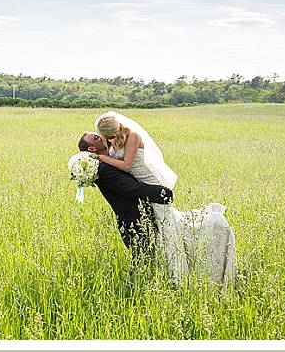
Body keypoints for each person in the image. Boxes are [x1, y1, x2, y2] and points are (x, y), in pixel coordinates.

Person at [93, 111, 237, 288]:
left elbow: (126, 165)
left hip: (150, 186)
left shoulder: (133, 136)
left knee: (168, 231)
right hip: (140, 191)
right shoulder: (114, 142)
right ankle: (164, 274)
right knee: (159, 234)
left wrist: (102, 158)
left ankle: (180, 277)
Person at [76, 132, 174, 261]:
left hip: (138, 217)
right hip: (133, 220)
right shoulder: (104, 170)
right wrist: (164, 193)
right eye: (96, 138)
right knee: (143, 260)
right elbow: (133, 189)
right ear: (92, 149)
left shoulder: (109, 161)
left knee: (150, 258)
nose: (101, 136)